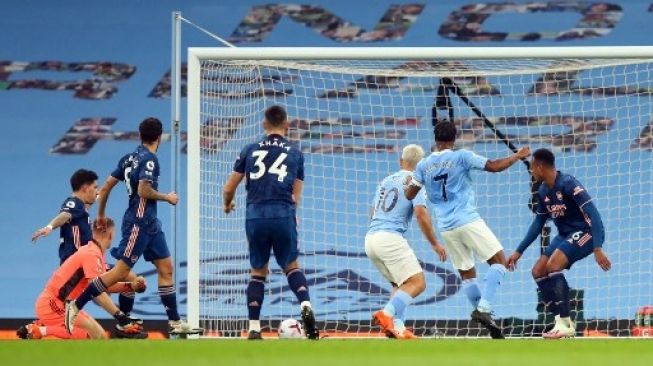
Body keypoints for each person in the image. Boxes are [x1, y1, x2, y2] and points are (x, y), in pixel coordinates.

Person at [64, 117, 198, 336]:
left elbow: (106, 187)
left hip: (151, 223)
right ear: (159, 137)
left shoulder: (129, 158)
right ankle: (76, 305)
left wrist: (100, 214)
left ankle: (174, 322)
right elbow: (144, 191)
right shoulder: (150, 160)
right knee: (121, 272)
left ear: (140, 135)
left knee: (166, 268)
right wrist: (168, 197)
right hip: (138, 222)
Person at [405, 120, 530, 339]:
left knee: (467, 275)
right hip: (467, 220)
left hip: (446, 227)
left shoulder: (423, 165)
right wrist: (517, 156)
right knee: (499, 261)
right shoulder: (461, 156)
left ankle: (487, 317)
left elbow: (409, 194)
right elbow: (493, 166)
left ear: (435, 140)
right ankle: (483, 309)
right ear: (454, 139)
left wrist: (421, 183)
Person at [223, 105, 319, 340]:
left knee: (258, 271)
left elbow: (228, 188)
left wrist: (227, 204)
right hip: (283, 213)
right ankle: (305, 304)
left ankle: (254, 327)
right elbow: (296, 195)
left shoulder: (250, 149)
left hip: (255, 215)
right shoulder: (295, 152)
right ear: (286, 125)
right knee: (292, 266)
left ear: (264, 124)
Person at [507, 148, 610, 339]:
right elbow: (538, 223)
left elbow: (593, 214)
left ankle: (566, 323)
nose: (531, 171)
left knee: (553, 265)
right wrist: (518, 251)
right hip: (565, 235)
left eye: (531, 167)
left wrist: (597, 248)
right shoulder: (544, 190)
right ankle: (559, 322)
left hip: (586, 232)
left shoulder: (569, 184)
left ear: (539, 166)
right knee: (538, 271)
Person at [30, 169, 143, 336]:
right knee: (111, 282)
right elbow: (64, 215)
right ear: (84, 188)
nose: (96, 191)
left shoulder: (82, 208)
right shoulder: (73, 203)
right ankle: (122, 321)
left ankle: (122, 319)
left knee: (122, 281)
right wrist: (49, 227)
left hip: (86, 261)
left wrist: (112, 183)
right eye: (94, 187)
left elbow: (98, 196)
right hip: (78, 262)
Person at [367, 144, 447, 339]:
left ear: (400, 161)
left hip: (371, 239)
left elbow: (373, 212)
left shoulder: (385, 181)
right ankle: (385, 315)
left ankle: (399, 328)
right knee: (418, 283)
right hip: (390, 238)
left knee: (400, 284)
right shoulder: (415, 181)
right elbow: (421, 213)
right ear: (421, 165)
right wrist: (435, 244)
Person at [18, 218, 146, 339]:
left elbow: (103, 286)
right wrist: (121, 317)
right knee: (89, 336)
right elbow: (98, 293)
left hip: (64, 305)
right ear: (111, 235)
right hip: (53, 304)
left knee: (99, 336)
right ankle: (39, 329)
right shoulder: (91, 254)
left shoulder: (94, 252)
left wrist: (131, 286)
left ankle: (42, 325)